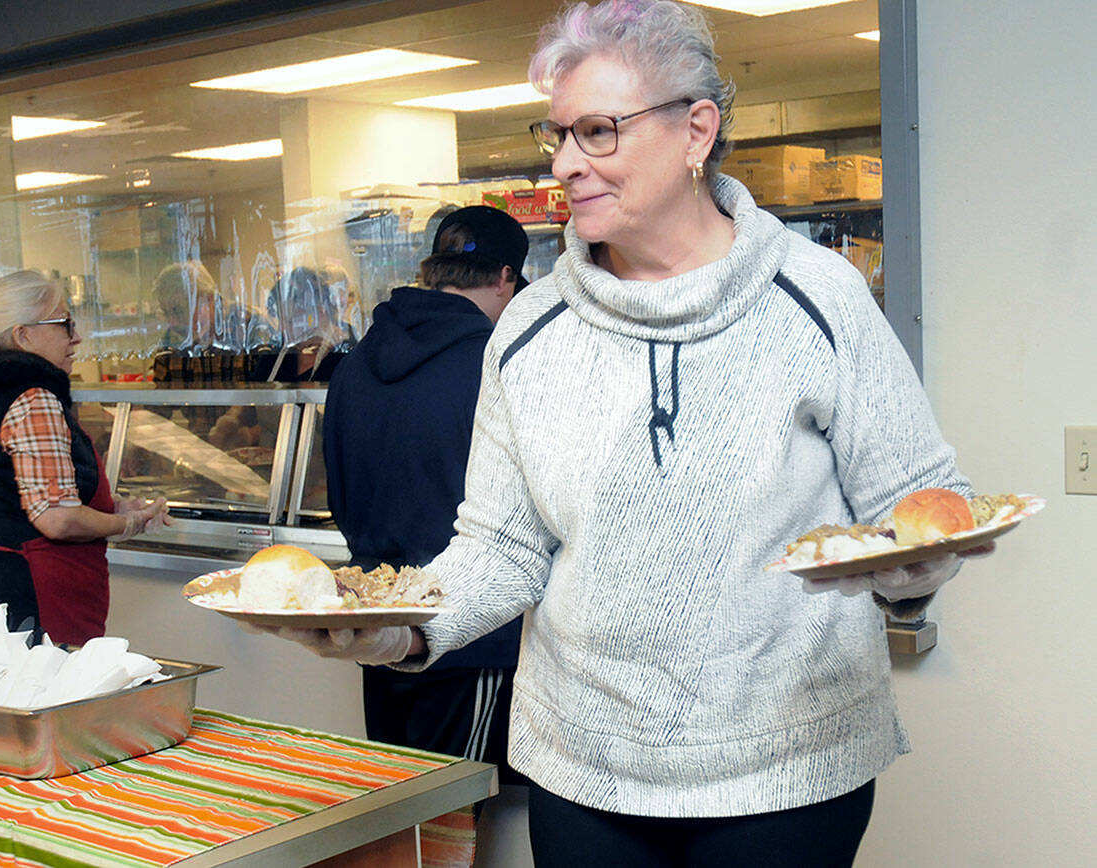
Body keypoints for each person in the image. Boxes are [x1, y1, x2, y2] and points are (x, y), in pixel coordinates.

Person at [261, 2, 986, 866]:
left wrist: (913, 577)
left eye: (598, 131)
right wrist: (403, 632)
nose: (568, 163)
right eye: (558, 135)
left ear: (696, 131)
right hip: (586, 769)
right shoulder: (528, 328)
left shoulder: (818, 298)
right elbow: (500, 546)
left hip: (790, 767)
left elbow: (917, 502)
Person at [323, 206, 530, 863]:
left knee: (402, 816)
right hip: (469, 637)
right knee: (450, 824)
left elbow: (340, 494)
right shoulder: (495, 366)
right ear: (505, 277)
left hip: (380, 622)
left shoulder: (356, 362)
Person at [0, 269, 171, 646]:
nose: (77, 337)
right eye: (65, 323)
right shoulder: (33, 399)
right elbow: (58, 518)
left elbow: (18, 495)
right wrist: (128, 524)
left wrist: (109, 507)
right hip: (26, 596)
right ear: (23, 335)